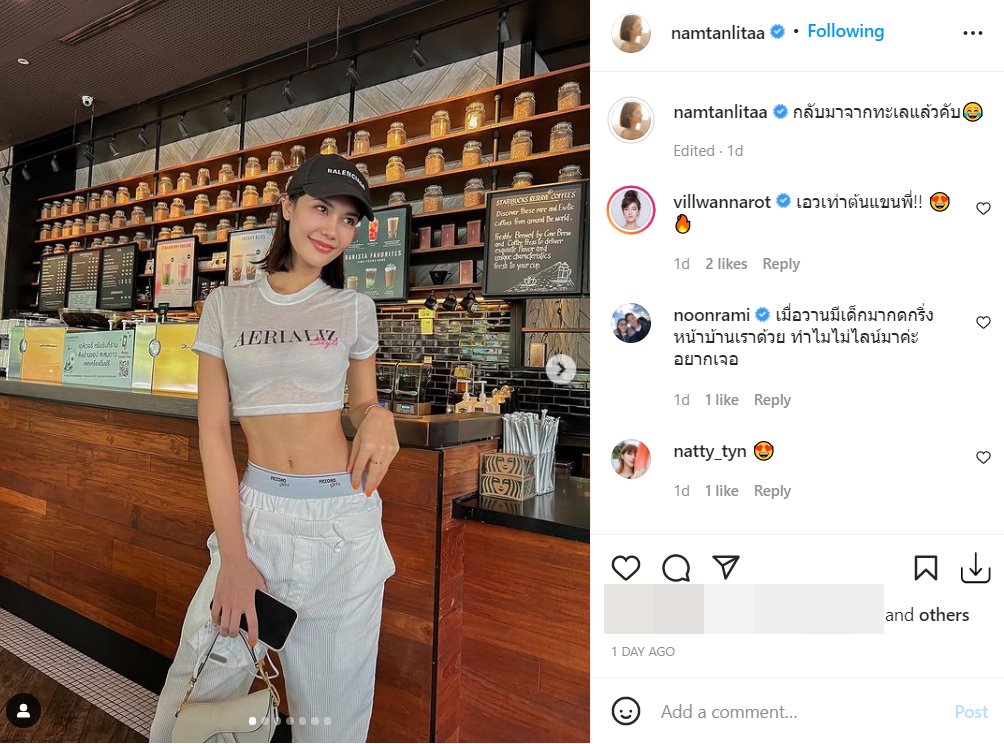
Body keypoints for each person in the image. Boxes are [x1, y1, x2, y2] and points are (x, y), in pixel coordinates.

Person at [150, 154, 399, 743]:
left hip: (344, 527)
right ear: (287, 207)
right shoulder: (225, 305)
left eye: (348, 219)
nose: (332, 229)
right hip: (258, 522)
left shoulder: (354, 309)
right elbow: (214, 432)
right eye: (320, 209)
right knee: (187, 714)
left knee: (332, 725)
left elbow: (361, 405)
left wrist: (379, 416)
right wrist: (235, 561)